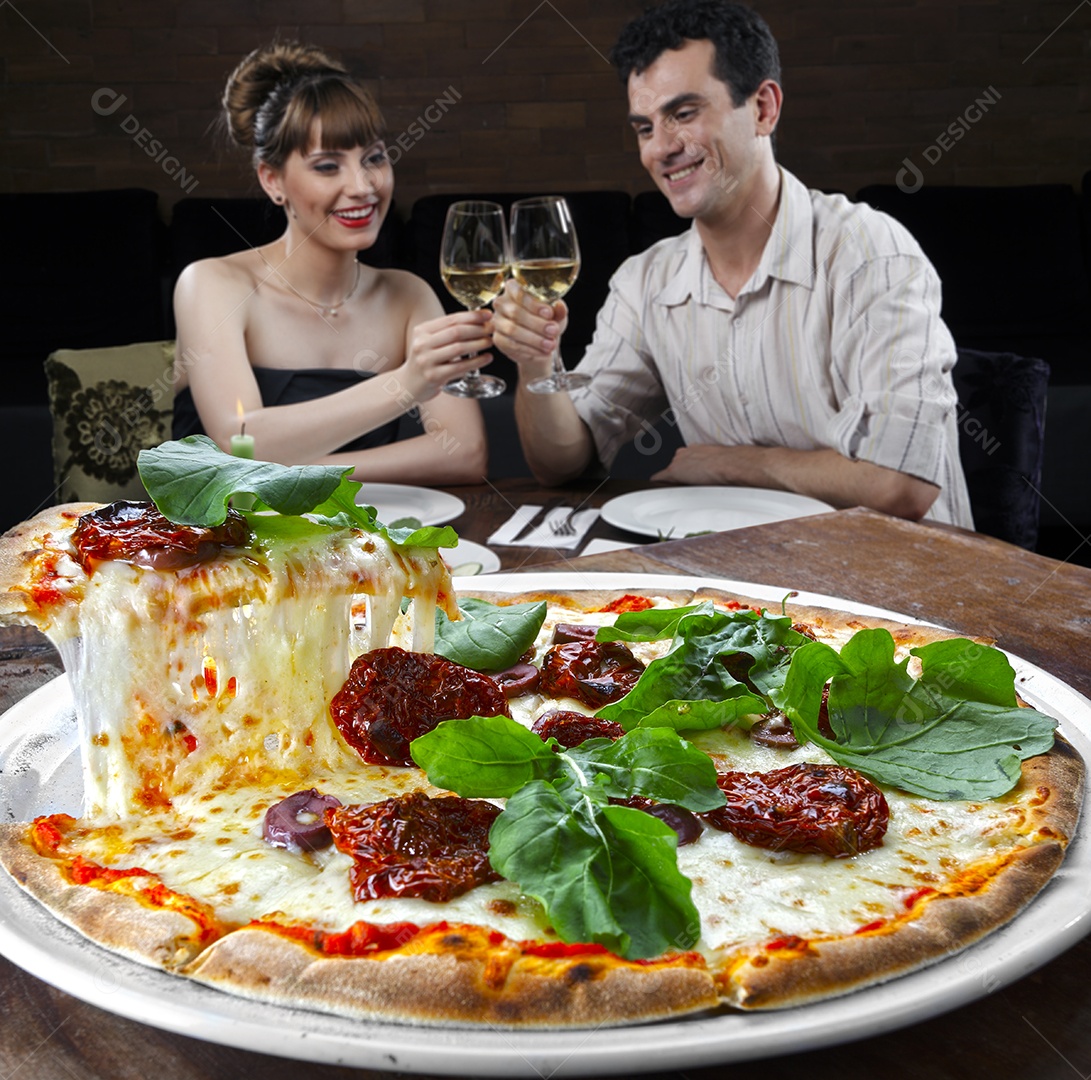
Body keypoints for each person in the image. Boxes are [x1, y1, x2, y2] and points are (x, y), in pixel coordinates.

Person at [492, 0, 973, 526]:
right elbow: (563, 463)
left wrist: (730, 465)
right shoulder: (645, 282)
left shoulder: (869, 253)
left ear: (764, 108)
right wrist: (536, 362)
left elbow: (900, 484)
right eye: (644, 128)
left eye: (683, 114)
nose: (661, 149)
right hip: (749, 588)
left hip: (905, 585)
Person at [173, 42, 489, 485]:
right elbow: (237, 441)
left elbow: (464, 455)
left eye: (374, 158)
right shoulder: (211, 283)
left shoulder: (407, 295)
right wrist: (407, 382)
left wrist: (291, 473)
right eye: (327, 167)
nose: (363, 186)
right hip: (224, 546)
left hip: (351, 544)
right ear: (272, 180)